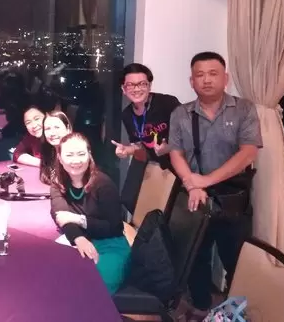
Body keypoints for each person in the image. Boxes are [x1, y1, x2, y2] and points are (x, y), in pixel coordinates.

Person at [168, 51, 261, 318]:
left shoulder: (244, 109)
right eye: (200, 75)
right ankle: (201, 307)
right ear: (191, 81)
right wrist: (192, 184)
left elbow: (248, 153)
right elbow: (176, 153)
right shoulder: (181, 113)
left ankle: (234, 313)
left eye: (213, 73)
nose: (206, 80)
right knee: (195, 256)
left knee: (236, 258)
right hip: (195, 196)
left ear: (225, 78)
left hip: (233, 197)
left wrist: (206, 181)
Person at [50, 132, 130, 294]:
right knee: (56, 280)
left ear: (89, 155)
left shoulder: (103, 184)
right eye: (69, 155)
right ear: (60, 158)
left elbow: (114, 227)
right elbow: (61, 216)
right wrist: (79, 238)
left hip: (110, 244)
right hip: (80, 240)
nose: (76, 160)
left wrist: (79, 219)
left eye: (81, 154)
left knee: (93, 290)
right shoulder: (58, 182)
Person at [113, 63, 181, 212]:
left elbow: (188, 134)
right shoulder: (127, 115)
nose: (137, 89)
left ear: (149, 86)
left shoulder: (168, 103)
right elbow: (139, 144)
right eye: (130, 85)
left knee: (172, 211)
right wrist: (127, 150)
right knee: (130, 200)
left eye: (142, 84)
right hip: (155, 165)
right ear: (123, 89)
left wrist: (169, 147)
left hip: (180, 164)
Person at [39, 111, 72, 184]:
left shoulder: (75, 155)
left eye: (57, 127)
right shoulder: (49, 152)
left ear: (68, 129)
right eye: (48, 129)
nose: (52, 133)